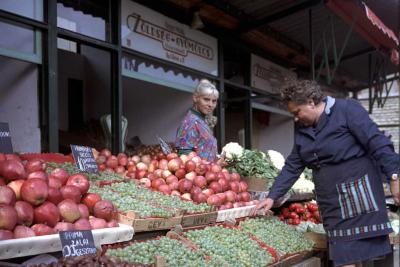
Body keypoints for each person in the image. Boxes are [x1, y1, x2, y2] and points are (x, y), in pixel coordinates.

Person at [253, 79, 399, 267]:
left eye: (297, 112)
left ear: (312, 102)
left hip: (358, 198)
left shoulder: (347, 110)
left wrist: (395, 176)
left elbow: (378, 143)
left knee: (352, 256)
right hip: (331, 202)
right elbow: (294, 164)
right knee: (345, 257)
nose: (296, 118)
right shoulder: (303, 127)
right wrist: (273, 196)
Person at [175, 79, 219, 162]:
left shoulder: (200, 120)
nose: (210, 105)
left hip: (210, 172)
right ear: (195, 98)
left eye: (214, 101)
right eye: (206, 99)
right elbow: (184, 156)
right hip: (200, 173)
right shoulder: (191, 122)